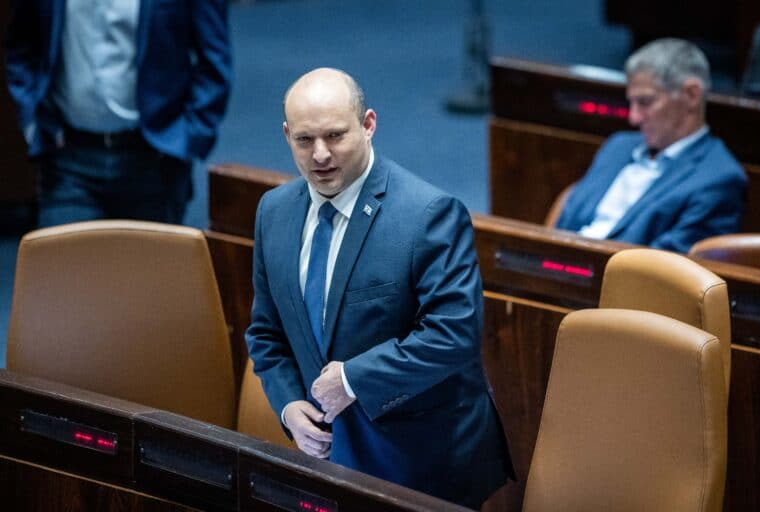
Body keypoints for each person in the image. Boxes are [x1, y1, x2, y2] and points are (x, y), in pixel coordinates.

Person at [245, 68, 512, 508]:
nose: (321, 155)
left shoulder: (428, 215)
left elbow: (454, 335)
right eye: (305, 140)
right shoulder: (273, 212)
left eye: (335, 135)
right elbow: (266, 332)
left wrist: (353, 379)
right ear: (287, 135)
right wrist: (289, 406)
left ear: (368, 125)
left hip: (422, 465)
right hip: (329, 462)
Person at [4, 0, 231, 227]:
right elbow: (21, 42)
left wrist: (189, 137)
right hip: (68, 160)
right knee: (62, 251)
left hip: (155, 161)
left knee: (149, 252)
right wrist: (32, 122)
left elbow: (214, 58)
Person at [555, 38, 747, 253]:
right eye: (631, 103)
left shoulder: (719, 179)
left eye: (645, 102)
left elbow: (666, 265)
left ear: (691, 95)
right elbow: (565, 221)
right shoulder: (618, 146)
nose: (634, 118)